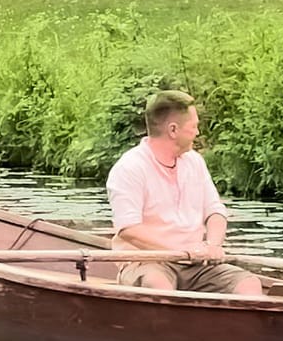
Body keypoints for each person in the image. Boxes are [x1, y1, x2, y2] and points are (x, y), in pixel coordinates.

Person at [107, 90, 264, 296]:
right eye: (194, 126)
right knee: (159, 287)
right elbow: (128, 229)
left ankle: (237, 326)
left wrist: (212, 246)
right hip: (148, 262)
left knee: (249, 284)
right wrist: (180, 250)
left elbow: (215, 211)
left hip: (196, 263)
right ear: (173, 130)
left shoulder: (194, 162)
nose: (198, 133)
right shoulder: (130, 167)